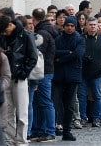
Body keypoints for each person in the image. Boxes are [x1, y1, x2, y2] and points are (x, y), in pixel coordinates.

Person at [0, 8, 38, 146]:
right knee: (7, 111)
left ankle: (21, 140)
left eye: (5, 31)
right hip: (6, 77)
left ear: (10, 25)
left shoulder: (25, 35)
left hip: (20, 78)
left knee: (22, 111)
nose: (4, 34)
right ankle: (9, 140)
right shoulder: (3, 36)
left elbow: (33, 57)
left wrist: (23, 73)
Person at [54, 16, 85, 141]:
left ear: (75, 26)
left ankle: (67, 130)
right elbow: (54, 52)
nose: (70, 28)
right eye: (68, 25)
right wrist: (68, 53)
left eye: (72, 26)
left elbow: (78, 54)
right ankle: (58, 126)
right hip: (59, 76)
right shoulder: (58, 39)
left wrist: (61, 59)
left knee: (70, 105)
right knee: (57, 103)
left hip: (73, 76)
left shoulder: (79, 39)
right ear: (64, 26)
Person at [78, 17, 101, 127]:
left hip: (97, 73)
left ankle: (97, 118)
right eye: (90, 24)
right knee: (82, 96)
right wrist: (83, 58)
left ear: (98, 26)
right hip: (83, 72)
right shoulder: (81, 38)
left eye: (94, 25)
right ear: (86, 26)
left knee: (98, 96)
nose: (93, 26)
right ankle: (83, 118)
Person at [30, 8, 59, 142]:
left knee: (45, 102)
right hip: (46, 70)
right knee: (40, 101)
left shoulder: (41, 33)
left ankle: (49, 131)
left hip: (43, 71)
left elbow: (38, 54)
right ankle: (41, 130)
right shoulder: (49, 31)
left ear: (34, 19)